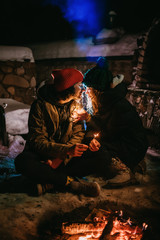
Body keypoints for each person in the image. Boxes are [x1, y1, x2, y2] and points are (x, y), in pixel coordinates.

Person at [14, 68, 101, 197]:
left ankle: (49, 182)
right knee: (23, 161)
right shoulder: (40, 106)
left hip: (65, 158)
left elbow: (78, 134)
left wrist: (60, 158)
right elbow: (37, 141)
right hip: (43, 154)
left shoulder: (76, 105)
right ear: (69, 88)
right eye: (79, 85)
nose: (82, 89)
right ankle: (71, 184)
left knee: (98, 157)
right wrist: (64, 151)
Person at [73, 57, 148, 188]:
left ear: (98, 90)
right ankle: (134, 164)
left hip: (132, 146)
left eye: (89, 88)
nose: (86, 92)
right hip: (119, 143)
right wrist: (89, 120)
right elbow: (102, 126)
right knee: (90, 146)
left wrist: (96, 139)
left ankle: (123, 170)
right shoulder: (103, 102)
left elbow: (111, 133)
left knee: (97, 150)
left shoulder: (119, 106)